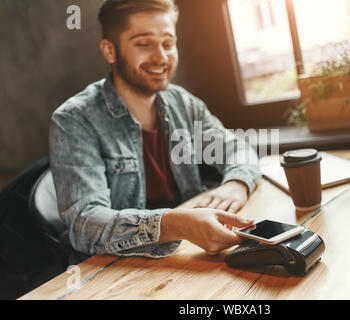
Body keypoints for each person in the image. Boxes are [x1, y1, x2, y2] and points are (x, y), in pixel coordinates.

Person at [49, 0, 261, 259]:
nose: (161, 56)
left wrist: (237, 183)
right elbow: (85, 225)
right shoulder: (74, 120)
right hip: (116, 269)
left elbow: (236, 149)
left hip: (188, 253)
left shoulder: (182, 102)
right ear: (110, 51)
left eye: (168, 43)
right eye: (143, 43)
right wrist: (176, 224)